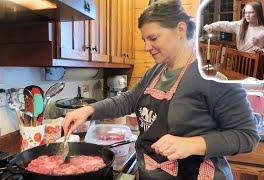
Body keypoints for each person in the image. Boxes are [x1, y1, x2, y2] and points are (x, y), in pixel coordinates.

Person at [63, 0, 260, 179]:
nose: (147, 47)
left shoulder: (210, 77)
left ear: (180, 29)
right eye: (144, 40)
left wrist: (193, 144)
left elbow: (247, 135)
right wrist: (89, 110)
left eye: (153, 38)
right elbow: (128, 99)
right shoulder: (156, 71)